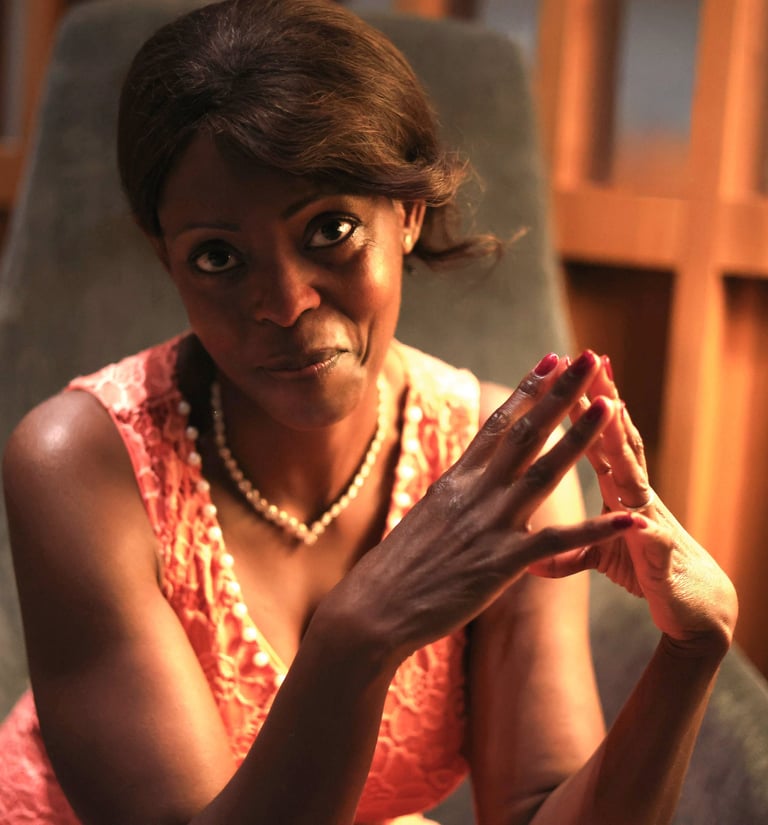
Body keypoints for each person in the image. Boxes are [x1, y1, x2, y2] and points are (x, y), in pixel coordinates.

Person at [0, 1, 737, 823]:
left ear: (408, 213)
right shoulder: (78, 463)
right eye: (217, 256)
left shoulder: (501, 472)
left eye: (330, 229)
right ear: (167, 259)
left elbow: (536, 811)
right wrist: (361, 629)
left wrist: (690, 651)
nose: (284, 301)